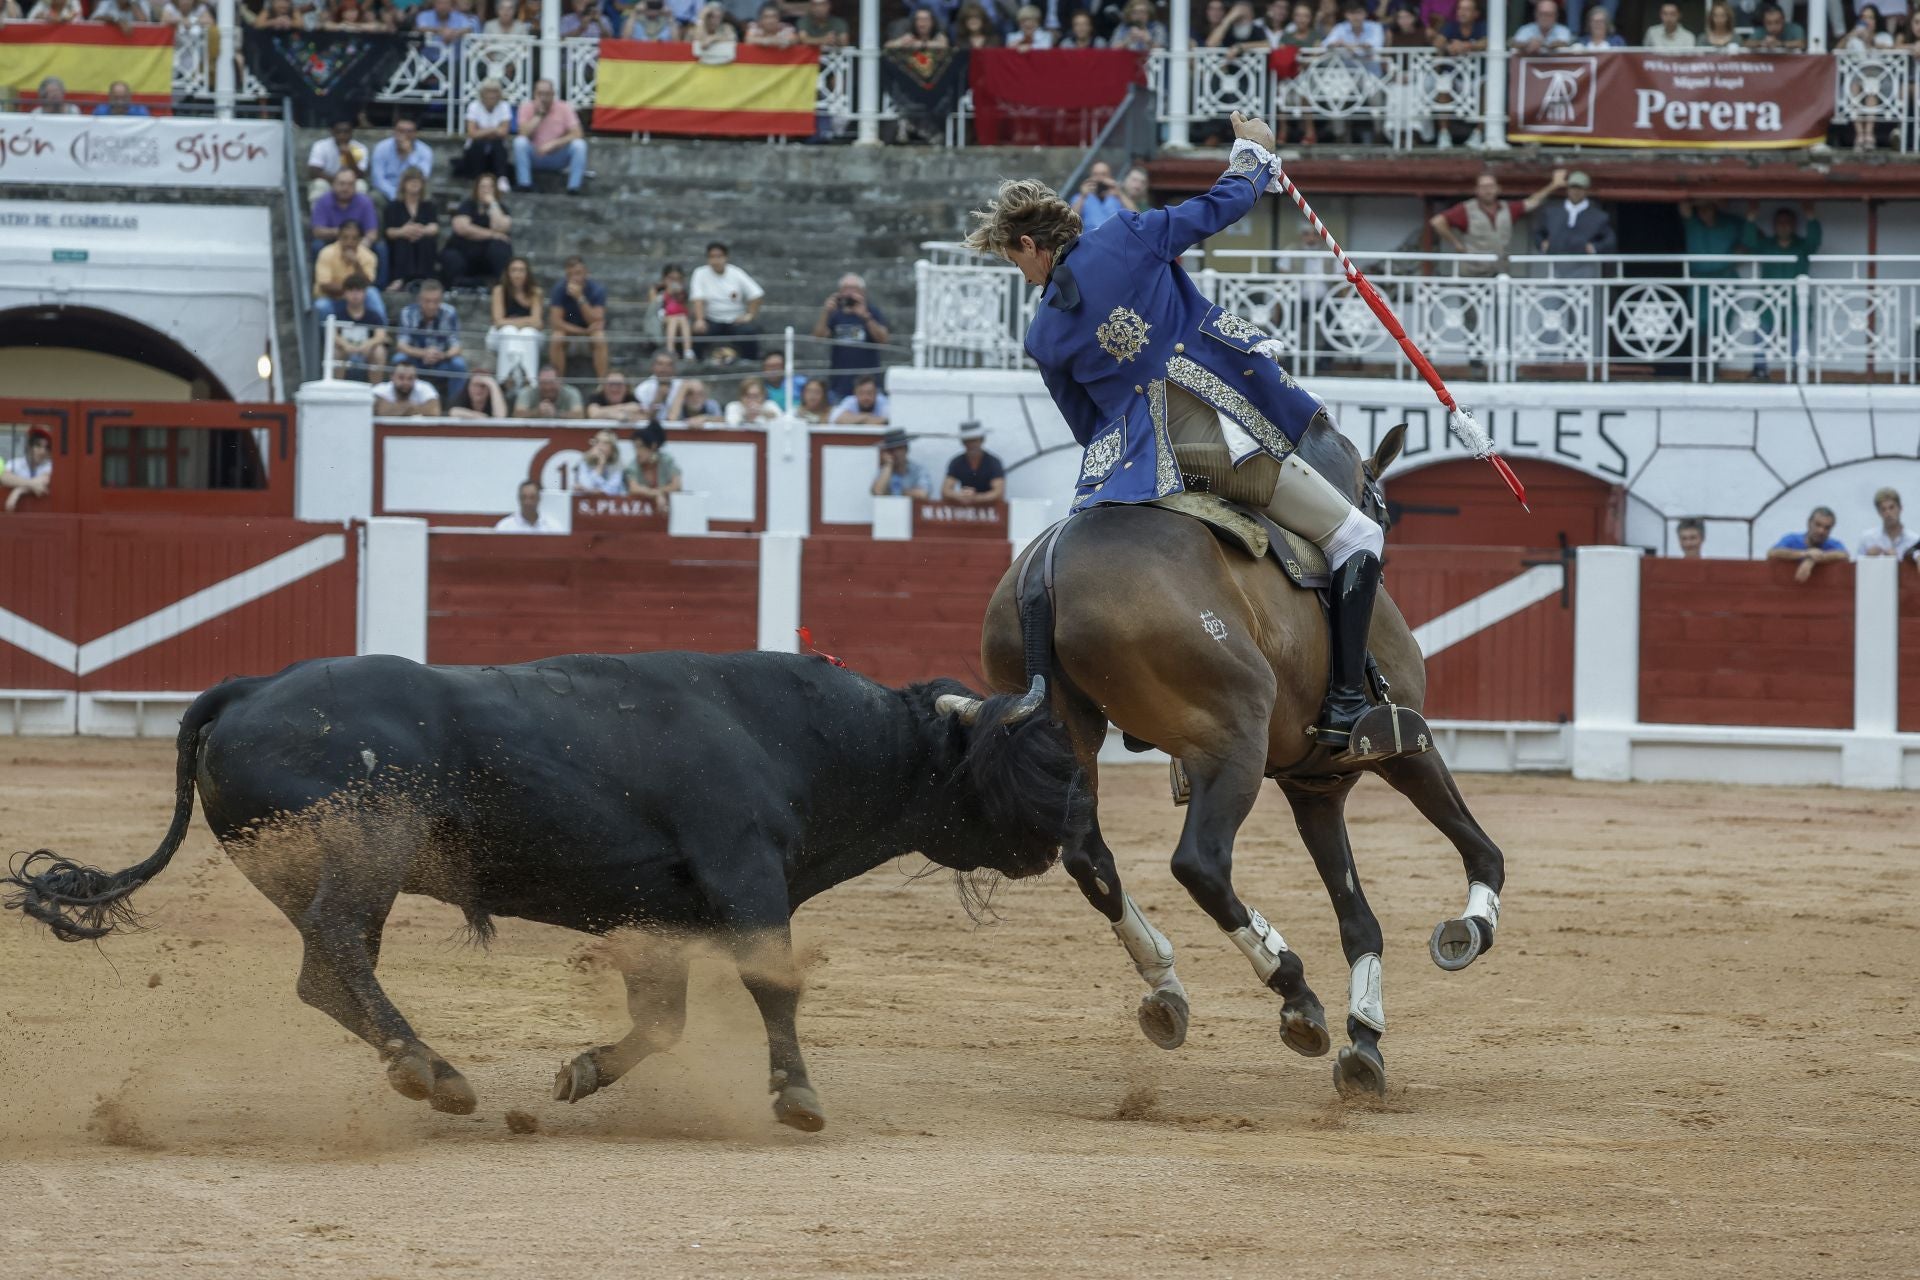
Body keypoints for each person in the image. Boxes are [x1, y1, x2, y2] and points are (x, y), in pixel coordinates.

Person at [963, 111, 1409, 755]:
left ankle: (1146, 705)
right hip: (1220, 435)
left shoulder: (1042, 333)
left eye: (1013, 260)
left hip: (1135, 473)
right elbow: (1219, 206)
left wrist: (1128, 464)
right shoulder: (1126, 237)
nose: (1020, 272)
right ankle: (1344, 703)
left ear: (1031, 244)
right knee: (1358, 533)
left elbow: (1086, 423)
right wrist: (1251, 152)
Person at [1429, 168, 1566, 276]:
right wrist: (1456, 244)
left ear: (1498, 189)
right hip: (1473, 274)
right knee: (1474, 312)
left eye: (1490, 186)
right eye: (1483, 187)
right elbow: (1437, 222)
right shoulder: (1465, 209)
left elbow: (1532, 202)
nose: (1487, 190)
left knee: (1499, 311)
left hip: (1499, 272)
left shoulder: (1509, 209)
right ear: (1477, 190)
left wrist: (1553, 185)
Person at [811, 272, 891, 400]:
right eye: (845, 289)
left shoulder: (871, 311)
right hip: (840, 383)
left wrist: (865, 316)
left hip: (868, 385)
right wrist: (826, 312)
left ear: (862, 292)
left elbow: (883, 340)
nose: (849, 293)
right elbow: (818, 337)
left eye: (853, 289)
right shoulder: (835, 313)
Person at [394, 279, 469, 403]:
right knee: (398, 359)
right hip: (415, 360)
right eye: (427, 301)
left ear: (441, 300)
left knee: (459, 365)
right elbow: (401, 345)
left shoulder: (449, 313)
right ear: (419, 299)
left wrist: (443, 355)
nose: (431, 306)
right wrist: (423, 353)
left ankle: (455, 405)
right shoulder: (407, 313)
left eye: (436, 301)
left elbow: (456, 346)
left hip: (441, 360)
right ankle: (399, 402)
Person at [690, 241, 764, 364]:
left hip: (735, 320)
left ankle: (750, 361)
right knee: (698, 331)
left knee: (748, 332)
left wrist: (749, 315)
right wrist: (699, 319)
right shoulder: (700, 273)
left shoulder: (736, 273)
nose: (715, 260)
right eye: (712, 257)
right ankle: (698, 361)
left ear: (726, 257)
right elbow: (698, 299)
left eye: (719, 256)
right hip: (711, 318)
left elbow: (757, 294)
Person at [513, 78, 589, 196]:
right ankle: (525, 184)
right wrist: (538, 115)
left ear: (553, 94)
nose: (543, 97)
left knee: (579, 145)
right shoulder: (526, 107)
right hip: (535, 155)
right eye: (540, 94)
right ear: (534, 94)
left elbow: (578, 133)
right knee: (519, 142)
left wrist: (554, 143)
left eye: (547, 94)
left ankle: (573, 188)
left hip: (557, 156)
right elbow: (522, 133)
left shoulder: (564, 107)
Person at [1534, 170, 1614, 278]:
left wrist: (1595, 247)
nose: (1576, 191)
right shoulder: (1552, 212)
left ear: (1586, 190)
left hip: (1584, 266)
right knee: (1553, 294)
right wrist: (1542, 244)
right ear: (1568, 189)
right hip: (1554, 264)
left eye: (1580, 188)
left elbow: (1610, 239)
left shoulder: (1598, 216)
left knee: (1584, 292)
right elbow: (1538, 232)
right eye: (1573, 187)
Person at [442, 172, 514, 289]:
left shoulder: (502, 208)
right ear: (476, 189)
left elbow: (501, 227)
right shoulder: (467, 205)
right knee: (451, 256)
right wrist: (493, 234)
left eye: (490, 187)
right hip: (465, 252)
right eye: (483, 186)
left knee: (501, 246)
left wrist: (493, 204)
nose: (486, 190)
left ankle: (503, 286)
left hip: (488, 256)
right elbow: (462, 228)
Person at [548, 255, 611, 381]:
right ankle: (557, 383)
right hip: (570, 330)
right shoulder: (559, 289)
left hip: (590, 331)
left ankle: (602, 384)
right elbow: (556, 322)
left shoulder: (597, 290)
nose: (575, 278)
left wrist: (580, 298)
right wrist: (582, 331)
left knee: (599, 337)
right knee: (557, 337)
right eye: (570, 274)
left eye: (578, 273)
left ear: (586, 273)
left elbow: (596, 320)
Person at [486, 256, 543, 390]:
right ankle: (504, 379)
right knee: (509, 331)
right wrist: (525, 321)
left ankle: (530, 380)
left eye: (521, 270)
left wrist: (511, 321)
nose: (517, 274)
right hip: (499, 336)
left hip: (527, 336)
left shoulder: (535, 292)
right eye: (514, 270)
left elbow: (538, 322)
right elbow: (498, 322)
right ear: (508, 273)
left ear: (527, 273)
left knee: (527, 334)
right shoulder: (499, 291)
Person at [381, 168, 441, 289]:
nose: (414, 184)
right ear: (403, 184)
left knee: (427, 240)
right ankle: (399, 279)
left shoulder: (429, 205)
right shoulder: (393, 206)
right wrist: (403, 231)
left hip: (422, 238)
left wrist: (421, 230)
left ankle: (426, 278)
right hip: (400, 241)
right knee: (403, 240)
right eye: (411, 181)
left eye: (418, 181)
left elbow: (435, 226)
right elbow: (388, 231)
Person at [326, 275, 389, 381]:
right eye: (351, 290)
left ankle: (376, 390)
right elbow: (333, 335)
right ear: (344, 294)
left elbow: (381, 336)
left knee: (379, 351)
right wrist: (345, 345)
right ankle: (337, 388)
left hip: (367, 351)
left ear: (365, 293)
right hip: (345, 350)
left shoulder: (373, 315)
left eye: (358, 290)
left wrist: (368, 344)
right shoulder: (339, 314)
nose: (355, 294)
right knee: (336, 352)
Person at [1768, 506, 1849, 581]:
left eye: (1827, 528)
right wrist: (1805, 554)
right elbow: (1772, 553)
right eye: (1818, 525)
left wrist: (1811, 559)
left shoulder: (1833, 544)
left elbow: (1844, 555)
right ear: (1809, 523)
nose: (1821, 531)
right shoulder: (1792, 539)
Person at [310, 168, 380, 253]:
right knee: (317, 245)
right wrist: (342, 233)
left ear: (355, 186)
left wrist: (362, 245)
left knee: (380, 247)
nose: (345, 188)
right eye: (341, 183)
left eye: (350, 184)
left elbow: (372, 232)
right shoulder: (323, 201)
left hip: (358, 242)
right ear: (333, 184)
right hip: (332, 241)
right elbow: (317, 231)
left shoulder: (365, 202)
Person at [461, 78, 514, 187]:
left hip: (497, 145)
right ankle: (476, 179)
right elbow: (472, 133)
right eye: (488, 92)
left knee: (498, 145)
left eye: (494, 92)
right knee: (478, 144)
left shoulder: (504, 106)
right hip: (476, 146)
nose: (491, 95)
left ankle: (502, 178)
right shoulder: (474, 106)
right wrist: (494, 129)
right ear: (482, 93)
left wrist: (482, 131)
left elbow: (504, 132)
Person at [313, 219, 379, 302]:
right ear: (339, 237)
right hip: (332, 297)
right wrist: (350, 291)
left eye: (354, 238)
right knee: (321, 305)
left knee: (372, 293)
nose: (349, 242)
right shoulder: (326, 253)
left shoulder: (368, 256)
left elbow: (367, 284)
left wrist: (356, 264)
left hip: (358, 298)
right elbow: (324, 285)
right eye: (345, 238)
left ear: (360, 239)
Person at [370, 116, 434, 203]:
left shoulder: (425, 151)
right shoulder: (381, 148)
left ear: (415, 133)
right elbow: (378, 179)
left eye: (409, 132)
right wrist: (395, 195)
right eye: (401, 131)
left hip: (413, 192)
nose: (404, 135)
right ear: (394, 132)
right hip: (388, 192)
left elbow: (422, 177)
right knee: (374, 197)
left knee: (428, 198)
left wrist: (409, 154)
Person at [942, 422, 1006, 505]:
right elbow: (945, 491)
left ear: (982, 440)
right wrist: (960, 496)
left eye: (974, 440)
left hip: (990, 510)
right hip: (965, 510)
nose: (971, 444)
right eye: (967, 441)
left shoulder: (993, 462)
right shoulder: (956, 462)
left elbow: (998, 493)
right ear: (963, 442)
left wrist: (975, 498)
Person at [306, 119, 368, 203]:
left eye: (346, 132)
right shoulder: (320, 146)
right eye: (338, 132)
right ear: (332, 132)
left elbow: (360, 175)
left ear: (351, 132)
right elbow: (314, 171)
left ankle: (356, 216)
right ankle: (319, 216)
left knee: (361, 185)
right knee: (319, 185)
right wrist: (337, 182)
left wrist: (348, 156)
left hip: (350, 182)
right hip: (328, 181)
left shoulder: (360, 148)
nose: (342, 136)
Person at [624, 423, 683, 504]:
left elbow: (676, 485)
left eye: (641, 447)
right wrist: (655, 494)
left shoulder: (666, 460)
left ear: (652, 447)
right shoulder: (633, 465)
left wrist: (658, 491)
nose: (637, 452)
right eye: (635, 448)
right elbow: (633, 488)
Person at [1070, 161, 1133, 233]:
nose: (1099, 178)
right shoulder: (1081, 197)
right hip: (1091, 240)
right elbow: (1071, 220)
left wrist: (1120, 194)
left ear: (1110, 177)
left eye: (1103, 174)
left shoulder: (1117, 196)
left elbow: (1136, 215)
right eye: (1095, 174)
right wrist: (1082, 196)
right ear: (1091, 177)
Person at [869, 428, 932, 498]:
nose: (895, 453)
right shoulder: (884, 470)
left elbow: (923, 494)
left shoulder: (918, 470)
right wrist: (888, 465)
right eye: (891, 450)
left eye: (898, 448)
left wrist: (896, 492)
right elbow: (877, 491)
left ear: (906, 449)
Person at [1858, 487, 1918, 558]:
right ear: (1879, 512)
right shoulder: (1867, 539)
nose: (1888, 513)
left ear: (1900, 508)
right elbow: (1855, 567)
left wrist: (1897, 558)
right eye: (1883, 509)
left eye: (1891, 507)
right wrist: (1867, 557)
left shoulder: (1914, 541)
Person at [2, 430, 53, 512]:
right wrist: (32, 484)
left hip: (42, 512)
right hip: (16, 513)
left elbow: (44, 480)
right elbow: (4, 477)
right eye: (38, 446)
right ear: (29, 447)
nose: (43, 451)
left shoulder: (49, 465)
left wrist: (18, 490)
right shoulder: (15, 463)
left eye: (47, 448)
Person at [653, 264, 694, 361]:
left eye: (677, 279)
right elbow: (654, 306)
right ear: (664, 278)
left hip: (681, 318)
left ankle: (688, 351)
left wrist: (680, 294)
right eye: (671, 278)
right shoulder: (659, 291)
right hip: (664, 317)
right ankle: (670, 350)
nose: (674, 281)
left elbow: (688, 309)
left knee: (681, 318)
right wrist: (668, 292)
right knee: (674, 319)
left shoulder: (684, 292)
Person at [513, 365, 586, 419]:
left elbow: (579, 414)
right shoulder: (528, 392)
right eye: (543, 383)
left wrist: (556, 413)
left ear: (560, 381)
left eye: (551, 383)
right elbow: (517, 414)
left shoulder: (571, 392)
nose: (547, 387)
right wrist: (536, 412)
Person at [372, 362, 442, 416]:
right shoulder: (380, 389)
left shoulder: (425, 387)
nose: (406, 382)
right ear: (392, 377)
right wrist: (410, 407)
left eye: (410, 378)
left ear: (416, 378)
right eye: (401, 378)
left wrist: (395, 409)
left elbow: (434, 410)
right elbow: (380, 410)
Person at [496, 478, 563, 532]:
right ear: (519, 499)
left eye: (532, 497)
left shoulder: (553, 528)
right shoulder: (504, 528)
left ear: (539, 498)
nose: (527, 502)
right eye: (524, 497)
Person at [574, 429, 628, 494]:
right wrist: (599, 467)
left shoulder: (618, 464)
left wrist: (592, 490)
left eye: (605, 443)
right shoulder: (584, 461)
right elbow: (586, 485)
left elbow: (611, 490)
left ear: (612, 448)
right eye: (597, 442)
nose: (600, 446)